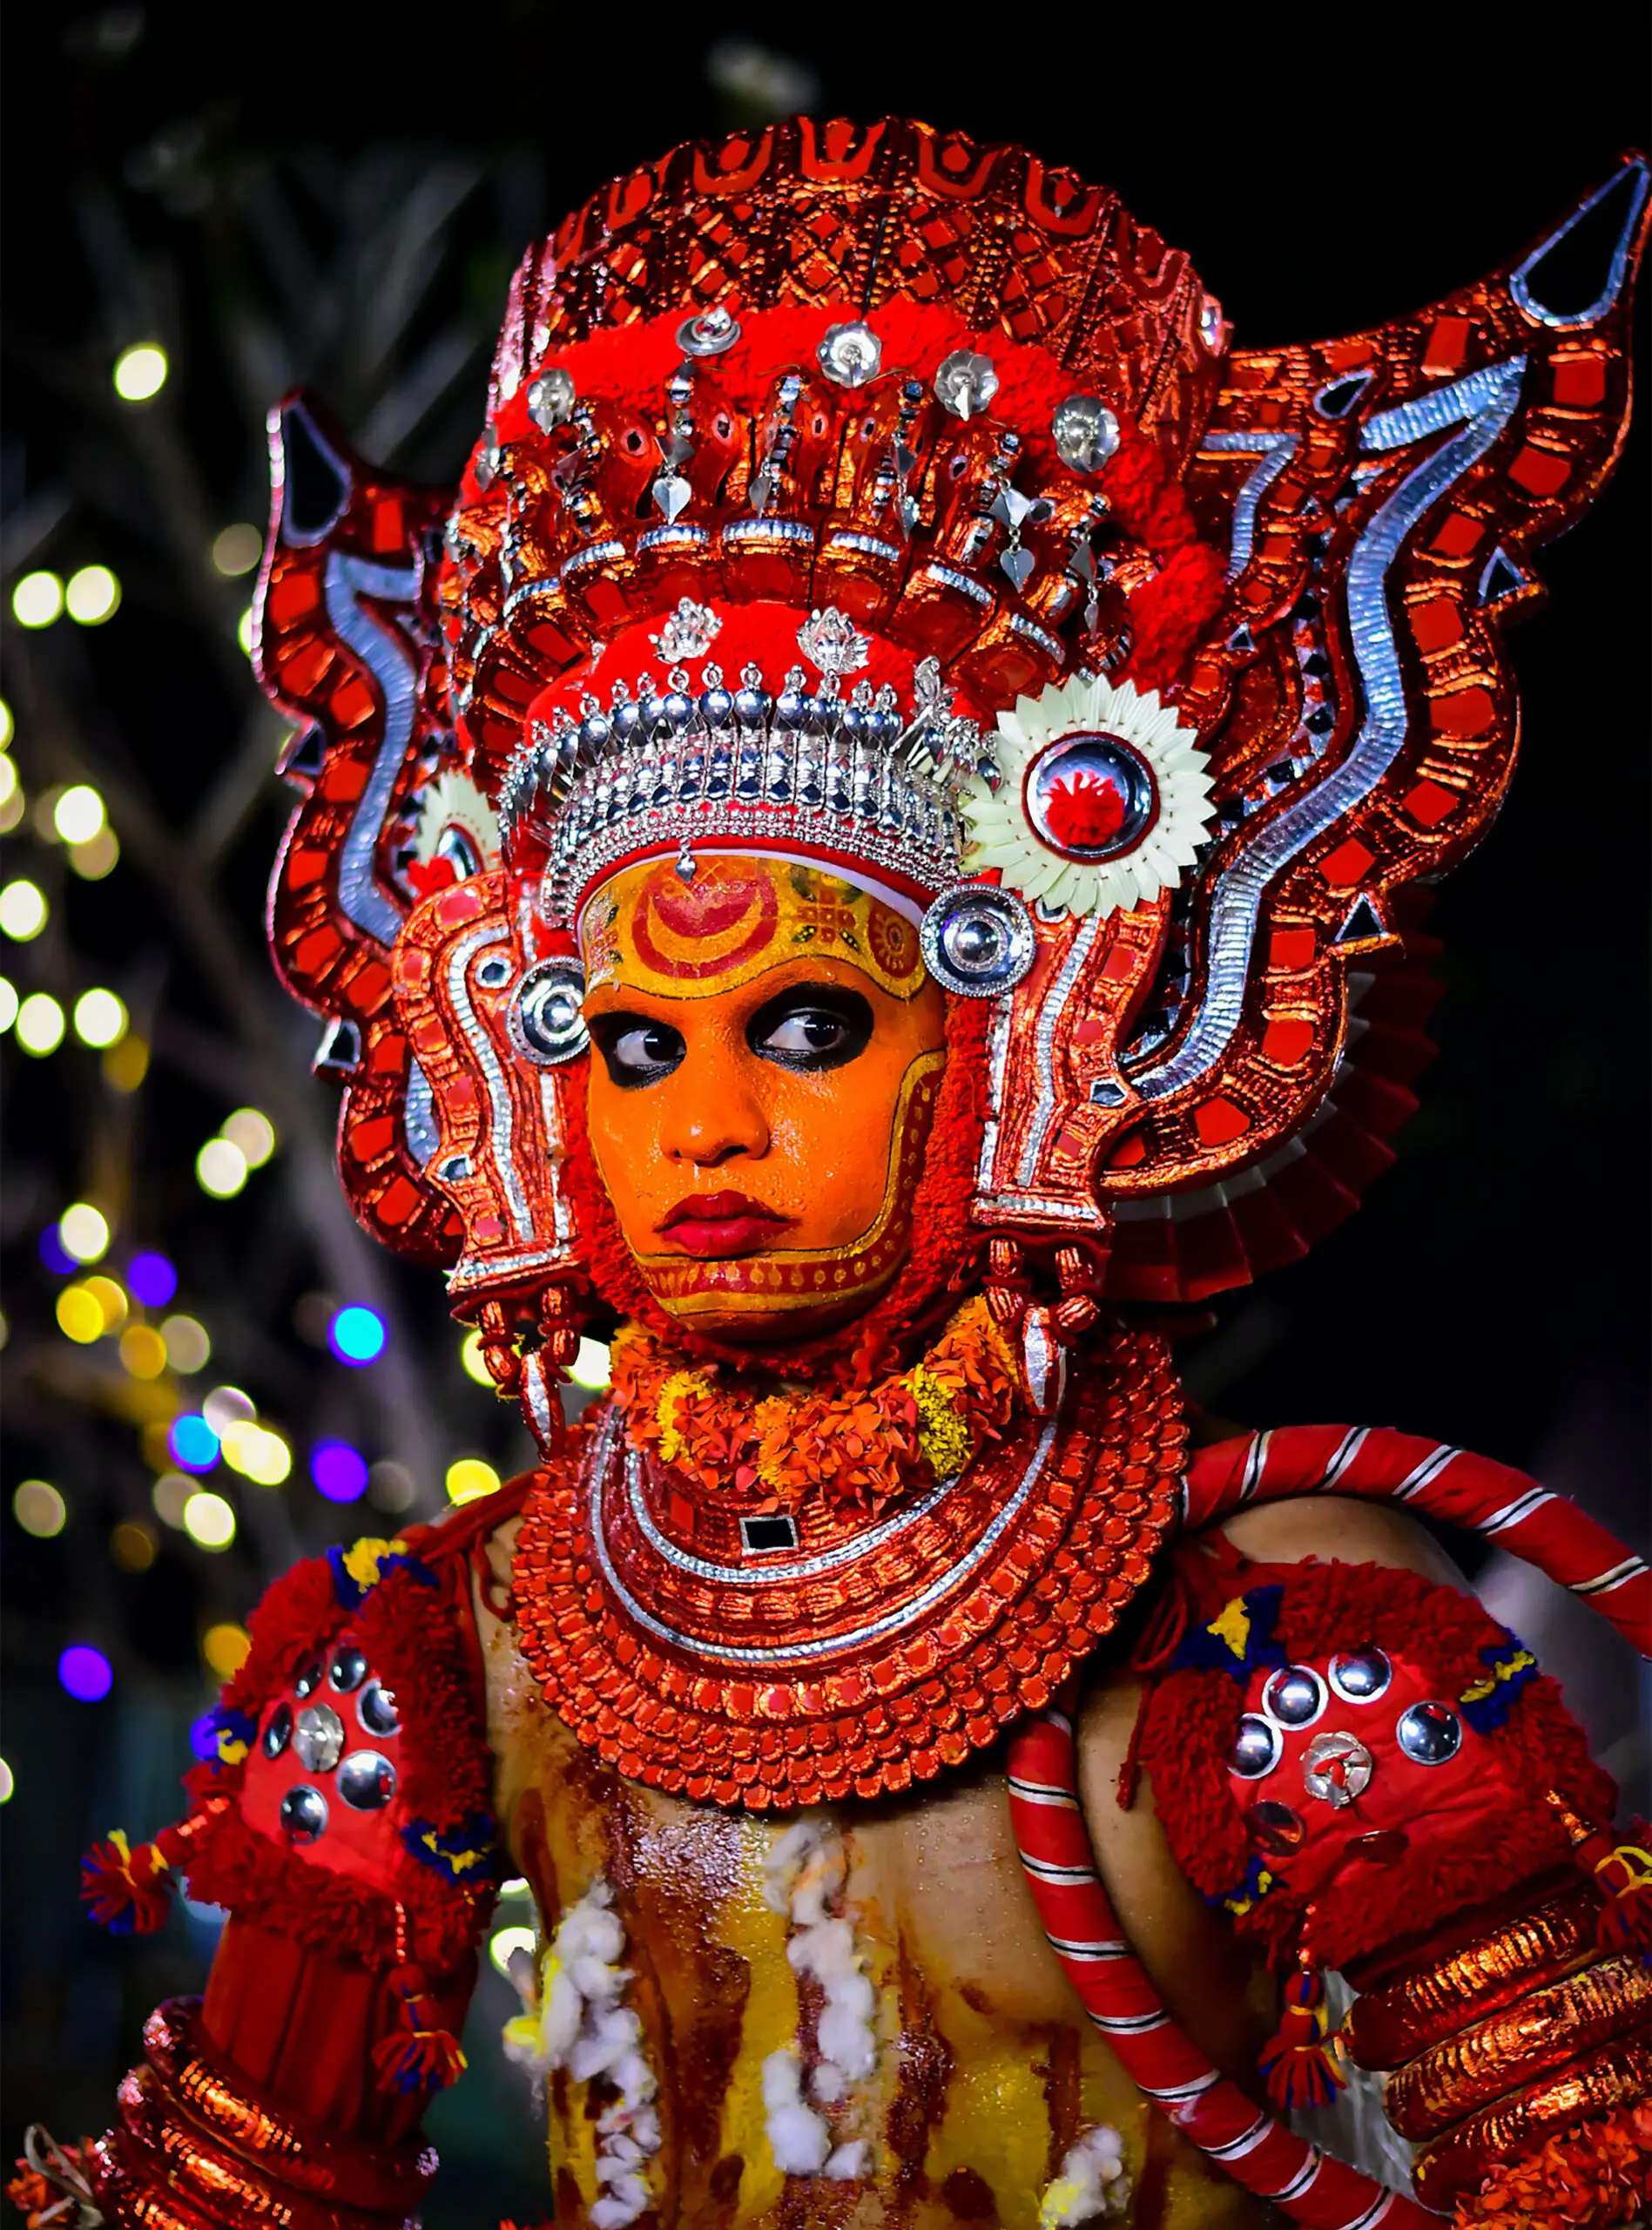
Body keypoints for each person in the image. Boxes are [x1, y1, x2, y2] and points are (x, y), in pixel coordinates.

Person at [17, 117, 1649, 2230]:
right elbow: (225, 2194)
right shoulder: (455, 1650)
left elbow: (1578, 2172)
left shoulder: (1271, 1646)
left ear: (1009, 1034)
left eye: (803, 1023)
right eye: (629, 1041)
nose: (702, 1121)